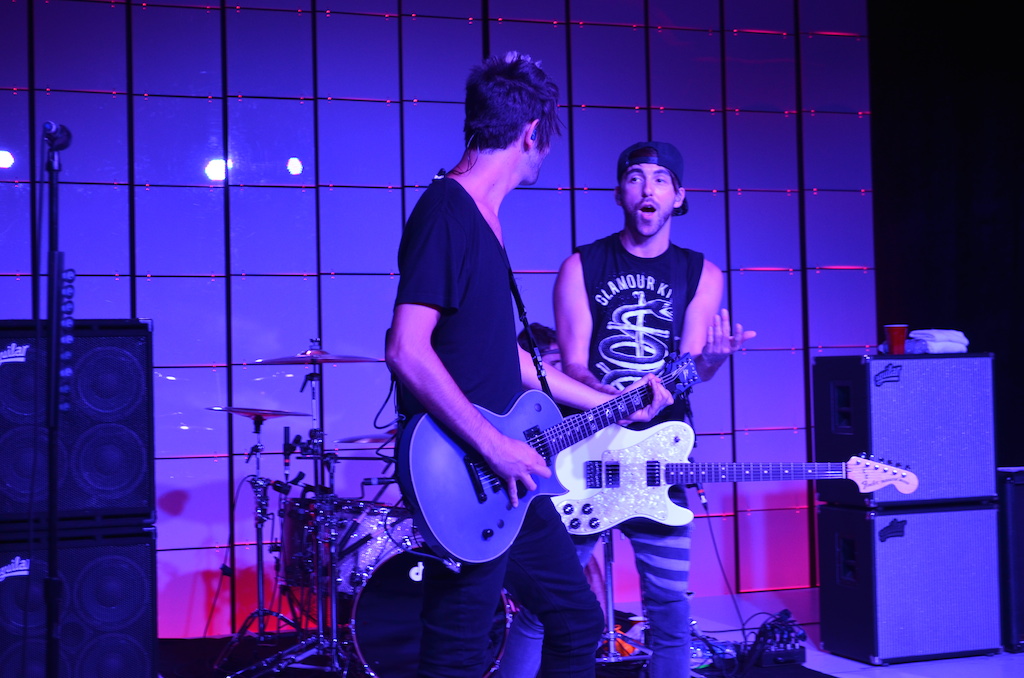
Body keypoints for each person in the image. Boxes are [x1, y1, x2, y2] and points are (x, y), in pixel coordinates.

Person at [384, 55, 674, 678]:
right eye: (547, 140)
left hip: (508, 475)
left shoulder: (483, 219)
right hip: (471, 468)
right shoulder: (447, 212)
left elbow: (504, 358)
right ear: (532, 133)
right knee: (457, 656)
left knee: (578, 623)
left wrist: (612, 404)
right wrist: (495, 445)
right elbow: (407, 348)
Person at [497, 141, 755, 678]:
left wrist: (711, 362)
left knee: (670, 610)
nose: (647, 188)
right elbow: (572, 365)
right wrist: (609, 399)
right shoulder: (581, 266)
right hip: (587, 451)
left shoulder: (702, 274)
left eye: (660, 179)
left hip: (661, 456)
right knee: (544, 606)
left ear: (677, 197)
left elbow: (690, 369)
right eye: (635, 178)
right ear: (620, 193)